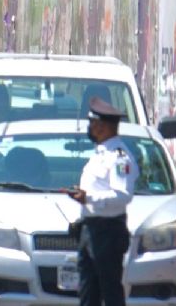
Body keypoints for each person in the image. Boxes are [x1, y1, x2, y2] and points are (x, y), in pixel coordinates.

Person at [66, 97, 138, 306]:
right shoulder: (100, 154)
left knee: (110, 291)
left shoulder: (119, 157)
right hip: (90, 229)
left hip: (108, 231)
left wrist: (88, 197)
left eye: (92, 123)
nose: (89, 128)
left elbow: (124, 195)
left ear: (103, 126)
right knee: (89, 293)